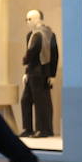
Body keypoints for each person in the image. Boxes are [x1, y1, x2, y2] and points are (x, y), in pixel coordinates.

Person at [20, 9, 59, 138]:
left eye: (30, 19)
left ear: (38, 19)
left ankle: (43, 130)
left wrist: (52, 75)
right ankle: (28, 128)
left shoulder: (47, 34)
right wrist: (26, 72)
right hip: (32, 72)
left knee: (41, 101)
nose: (27, 21)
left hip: (41, 73)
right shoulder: (30, 35)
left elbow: (54, 55)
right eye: (26, 19)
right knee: (26, 100)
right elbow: (30, 56)